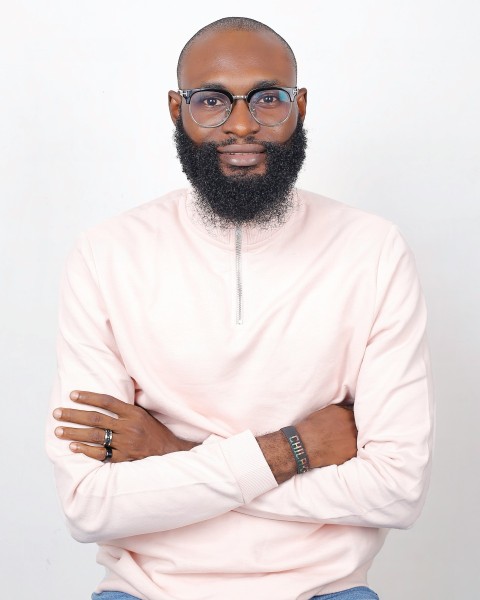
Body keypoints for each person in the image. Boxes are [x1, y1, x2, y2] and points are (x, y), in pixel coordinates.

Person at [46, 16, 434, 600]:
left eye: (268, 98)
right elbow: (89, 507)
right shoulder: (107, 254)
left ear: (300, 105)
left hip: (323, 591)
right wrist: (292, 450)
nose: (244, 124)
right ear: (177, 109)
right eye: (212, 102)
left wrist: (172, 453)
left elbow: (397, 490)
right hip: (145, 592)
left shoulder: (372, 249)